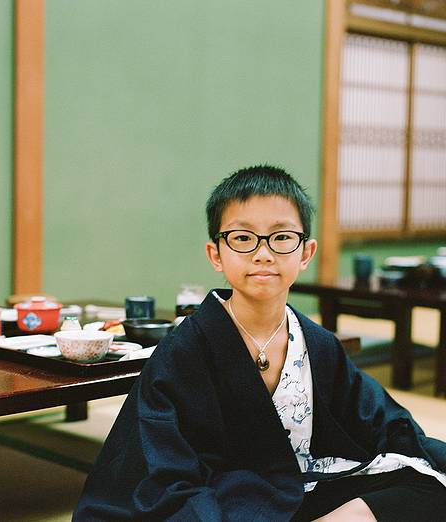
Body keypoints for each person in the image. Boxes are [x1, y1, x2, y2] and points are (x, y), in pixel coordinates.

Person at [73, 165, 446, 521]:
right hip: (226, 499)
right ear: (216, 254)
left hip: (303, 487)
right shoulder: (183, 350)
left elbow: (384, 422)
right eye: (242, 238)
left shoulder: (317, 344)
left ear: (306, 253)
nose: (263, 253)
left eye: (282, 237)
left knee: (430, 485)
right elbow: (161, 470)